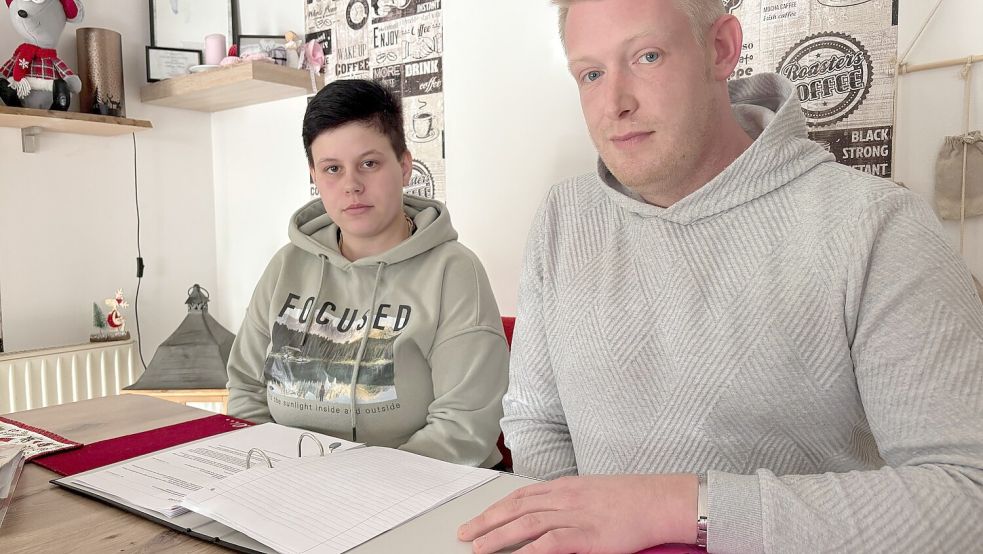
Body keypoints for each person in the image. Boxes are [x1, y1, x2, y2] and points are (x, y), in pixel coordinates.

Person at [458, 0, 983, 551]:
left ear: (721, 49)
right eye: (591, 74)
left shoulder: (877, 226)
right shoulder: (564, 217)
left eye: (647, 56)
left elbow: (968, 494)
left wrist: (676, 508)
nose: (614, 103)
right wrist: (559, 526)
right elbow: (537, 419)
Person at [227, 79, 509, 468]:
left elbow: (463, 429)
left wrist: (352, 492)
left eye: (369, 163)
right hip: (295, 490)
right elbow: (246, 390)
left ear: (405, 166)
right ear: (314, 174)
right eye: (332, 169)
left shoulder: (454, 271)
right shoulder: (285, 266)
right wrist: (272, 471)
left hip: (424, 492)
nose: (352, 186)